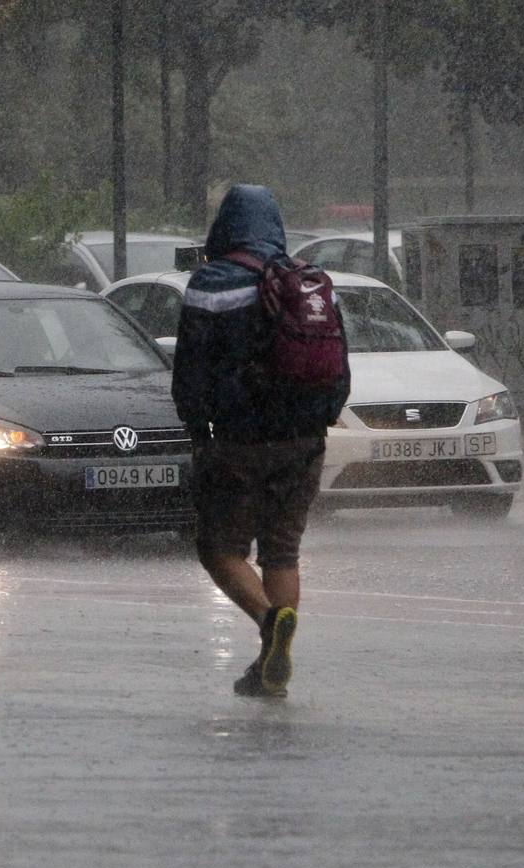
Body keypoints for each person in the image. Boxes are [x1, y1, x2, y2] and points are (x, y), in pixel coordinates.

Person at [172, 185, 350, 698]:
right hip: (304, 441)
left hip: (237, 441)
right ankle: (271, 669)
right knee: (282, 552)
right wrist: (320, 421)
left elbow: (192, 369)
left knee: (219, 548)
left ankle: (269, 623)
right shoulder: (311, 282)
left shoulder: (213, 283)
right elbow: (339, 368)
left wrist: (198, 430)